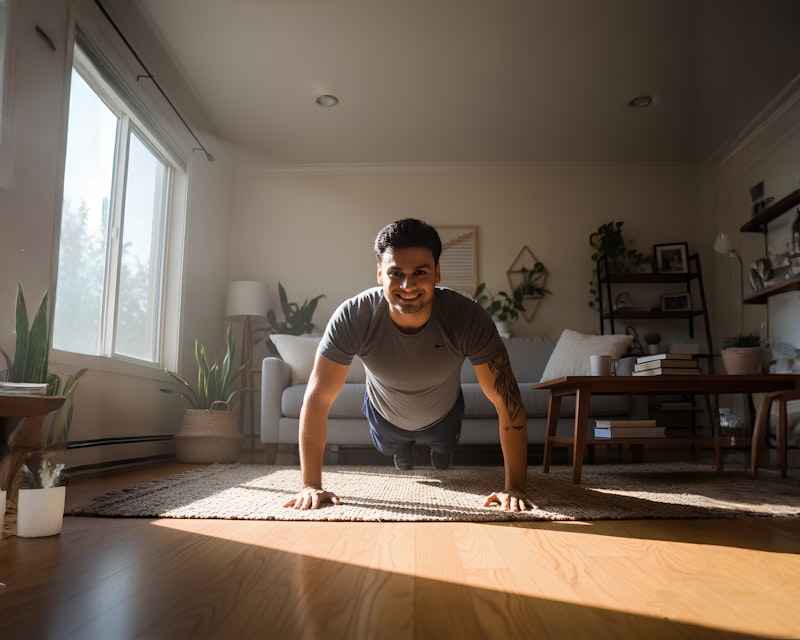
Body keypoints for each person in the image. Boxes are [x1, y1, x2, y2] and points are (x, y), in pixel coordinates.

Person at [283, 218, 534, 512]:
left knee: (443, 450)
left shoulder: (468, 318)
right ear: (380, 274)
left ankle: (439, 452)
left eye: (420, 272)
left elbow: (508, 401)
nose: (408, 285)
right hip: (384, 417)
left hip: (444, 417)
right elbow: (318, 399)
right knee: (394, 448)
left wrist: (514, 487)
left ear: (437, 273)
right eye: (396, 273)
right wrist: (310, 485)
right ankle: (403, 449)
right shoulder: (353, 316)